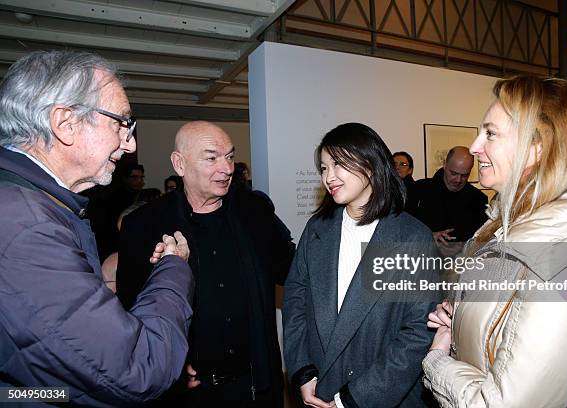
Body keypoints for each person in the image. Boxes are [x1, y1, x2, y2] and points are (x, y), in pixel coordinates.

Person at [0, 50, 194, 405]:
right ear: (65, 123)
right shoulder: (25, 226)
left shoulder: (32, 205)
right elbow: (139, 367)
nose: (130, 143)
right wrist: (174, 268)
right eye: (121, 122)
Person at [423, 76, 567, 406]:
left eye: (491, 133)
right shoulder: (502, 226)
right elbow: (501, 330)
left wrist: (437, 361)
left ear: (536, 148)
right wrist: (461, 323)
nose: (475, 146)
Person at [116, 121, 295, 407]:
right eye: (212, 158)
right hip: (187, 393)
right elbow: (130, 308)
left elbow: (294, 272)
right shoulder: (143, 225)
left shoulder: (255, 210)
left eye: (230, 156)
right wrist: (164, 359)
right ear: (180, 163)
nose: (226, 168)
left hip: (254, 386)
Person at [283, 123, 440, 408]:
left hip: (378, 397)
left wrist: (355, 398)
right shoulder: (318, 229)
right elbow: (295, 304)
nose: (328, 176)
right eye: (323, 167)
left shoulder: (411, 237)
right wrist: (303, 372)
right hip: (318, 391)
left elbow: (418, 331)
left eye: (338, 164)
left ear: (369, 163)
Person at [406, 146, 488, 255]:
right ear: (445, 165)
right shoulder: (417, 190)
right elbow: (401, 231)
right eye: (453, 173)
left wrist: (464, 246)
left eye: (465, 175)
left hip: (462, 266)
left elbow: (484, 240)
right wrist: (428, 237)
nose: (458, 180)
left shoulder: (479, 199)